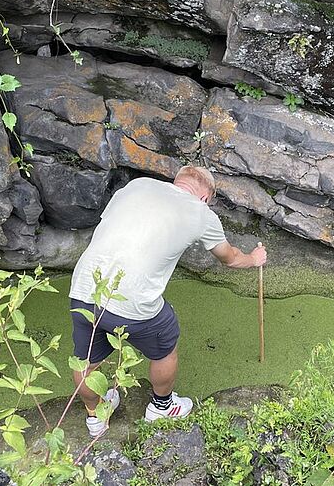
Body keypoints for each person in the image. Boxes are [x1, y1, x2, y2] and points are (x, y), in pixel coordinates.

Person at [69, 165, 267, 436]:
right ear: (205, 198)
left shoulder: (137, 186)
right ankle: (162, 406)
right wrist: (254, 259)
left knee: (86, 361)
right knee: (165, 344)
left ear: (177, 181)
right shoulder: (201, 212)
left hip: (84, 287)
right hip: (134, 299)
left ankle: (95, 415)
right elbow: (229, 258)